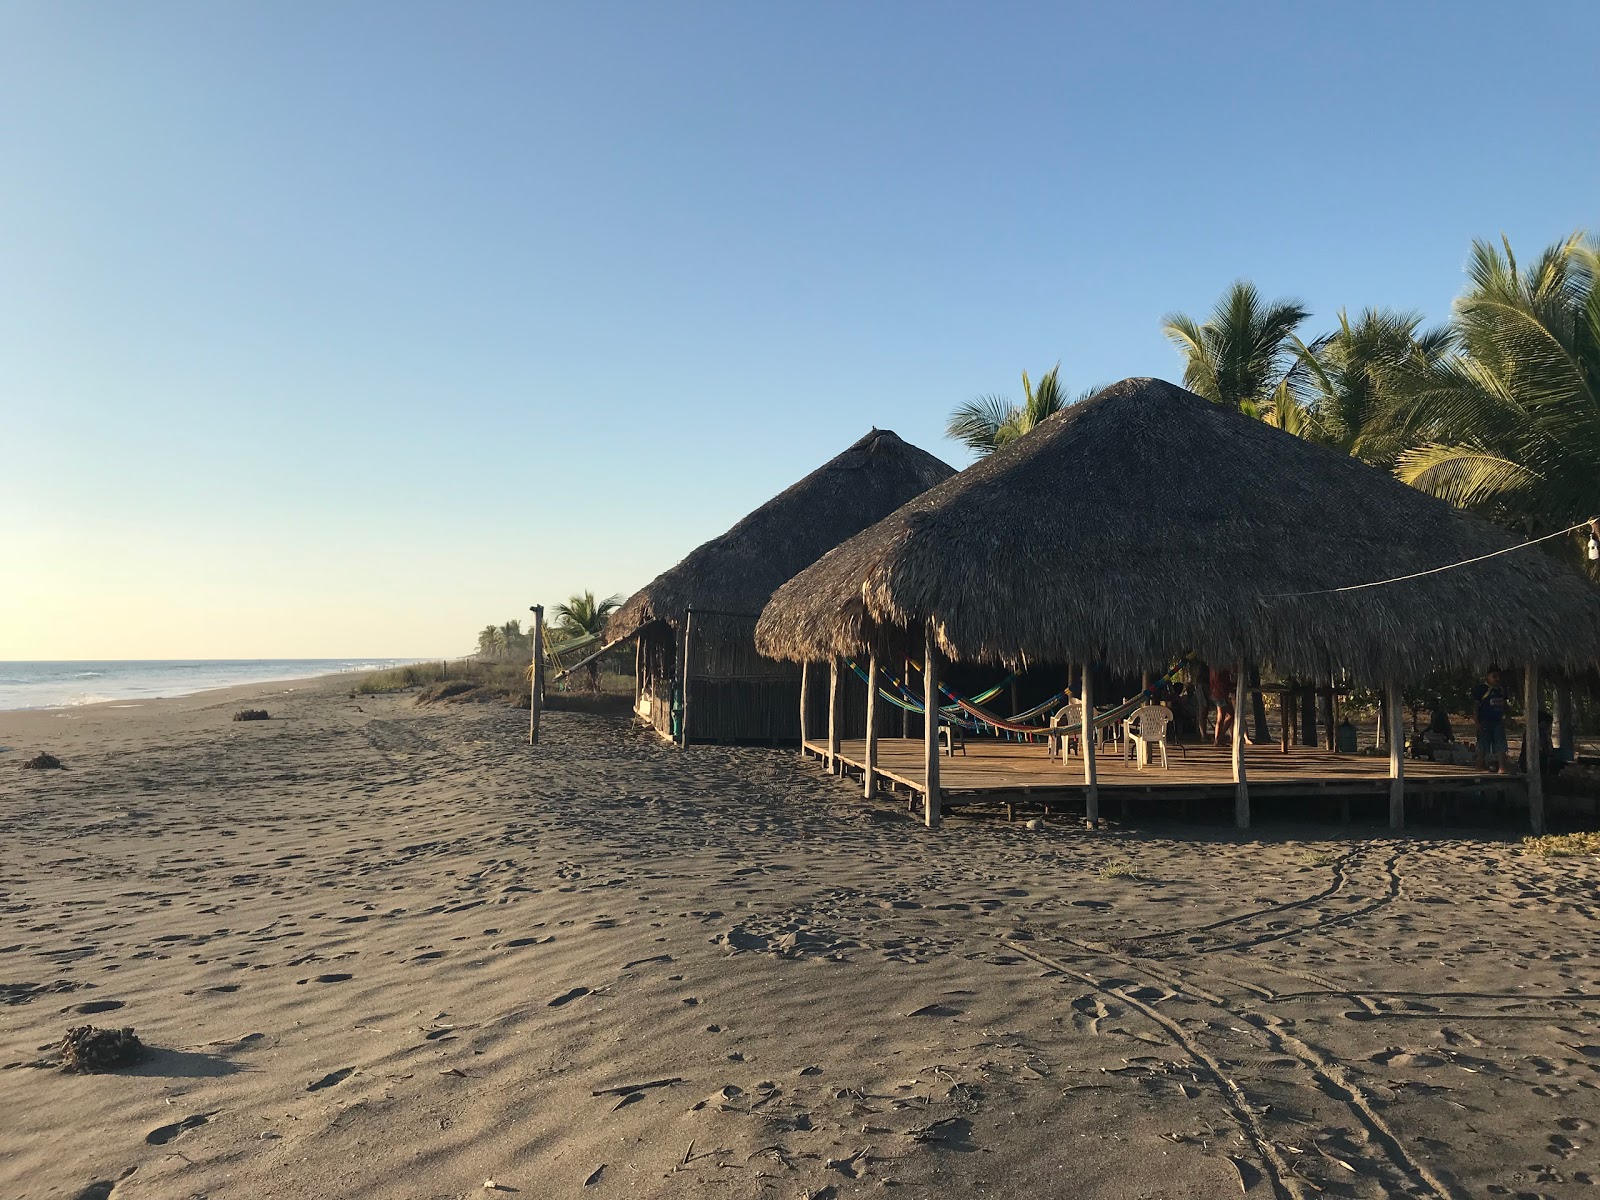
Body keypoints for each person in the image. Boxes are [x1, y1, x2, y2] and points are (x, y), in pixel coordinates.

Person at [1470, 667, 1510, 773]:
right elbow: (1475, 707)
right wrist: (1477, 722)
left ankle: (1502, 767)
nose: (1497, 679)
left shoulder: (1501, 690)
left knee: (1501, 744)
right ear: (1487, 677)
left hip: (1498, 722)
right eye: (1494, 677)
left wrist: (1507, 717)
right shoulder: (1481, 689)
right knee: (1483, 744)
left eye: (1498, 677)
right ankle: (1480, 765)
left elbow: (1505, 705)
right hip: (1484, 721)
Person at [1209, 666, 1236, 746]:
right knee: (1222, 716)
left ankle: (1219, 737)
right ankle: (1218, 738)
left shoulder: (1216, 668)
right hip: (1219, 693)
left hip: (1217, 693)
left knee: (1227, 715)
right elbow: (1220, 683)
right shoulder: (1219, 669)